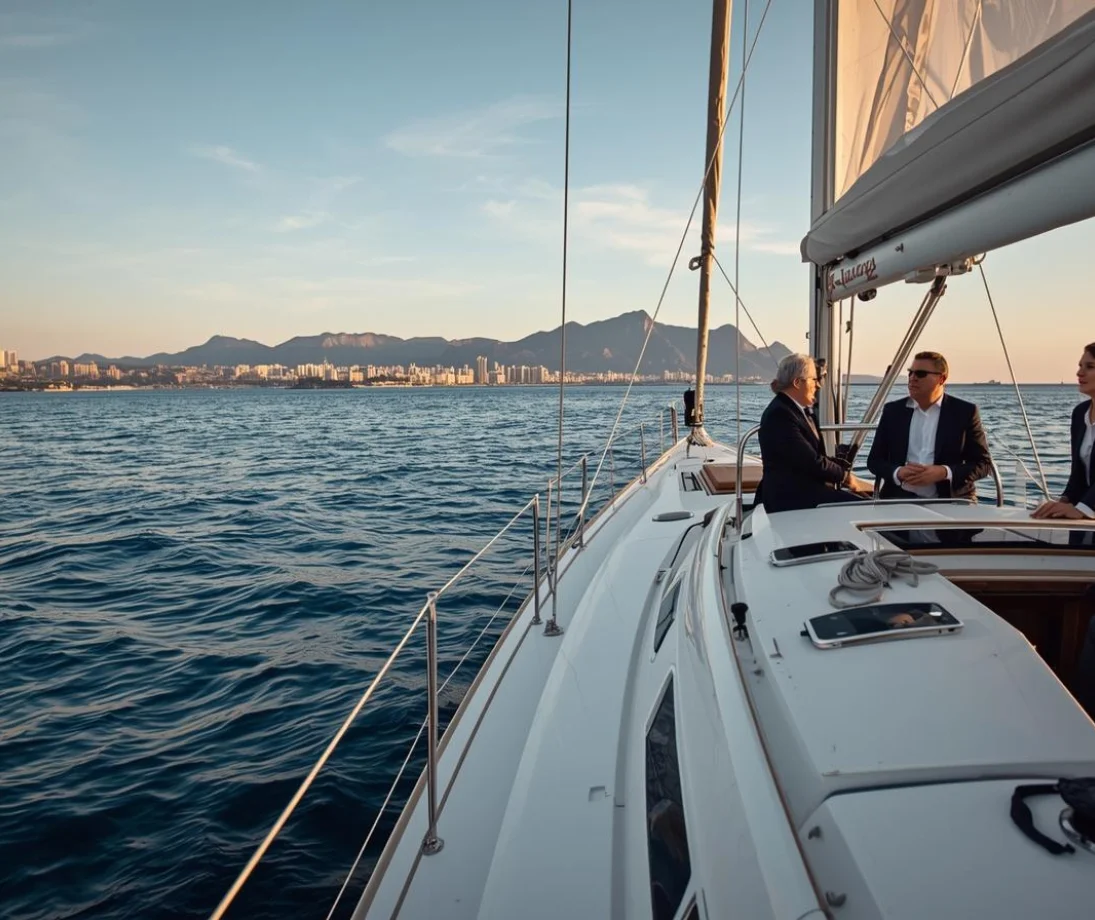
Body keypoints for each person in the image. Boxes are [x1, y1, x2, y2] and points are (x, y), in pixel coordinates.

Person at [866, 351, 993, 502]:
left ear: (942, 378)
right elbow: (874, 461)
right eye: (910, 373)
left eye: (921, 374)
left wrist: (944, 472)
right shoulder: (893, 411)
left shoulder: (964, 412)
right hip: (899, 499)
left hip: (951, 501)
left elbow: (983, 464)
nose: (912, 378)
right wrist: (898, 472)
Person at [756, 354, 872, 513]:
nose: (818, 385)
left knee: (866, 503)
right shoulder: (780, 415)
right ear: (797, 383)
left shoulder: (796, 411)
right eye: (814, 380)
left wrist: (841, 470)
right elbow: (810, 460)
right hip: (791, 497)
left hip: (804, 490)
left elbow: (814, 456)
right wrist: (844, 476)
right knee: (866, 509)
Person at [1031, 342, 1095, 524]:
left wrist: (1082, 509)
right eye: (1080, 366)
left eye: (1090, 367)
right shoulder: (1080, 413)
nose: (1079, 373)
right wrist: (1064, 501)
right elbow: (1078, 474)